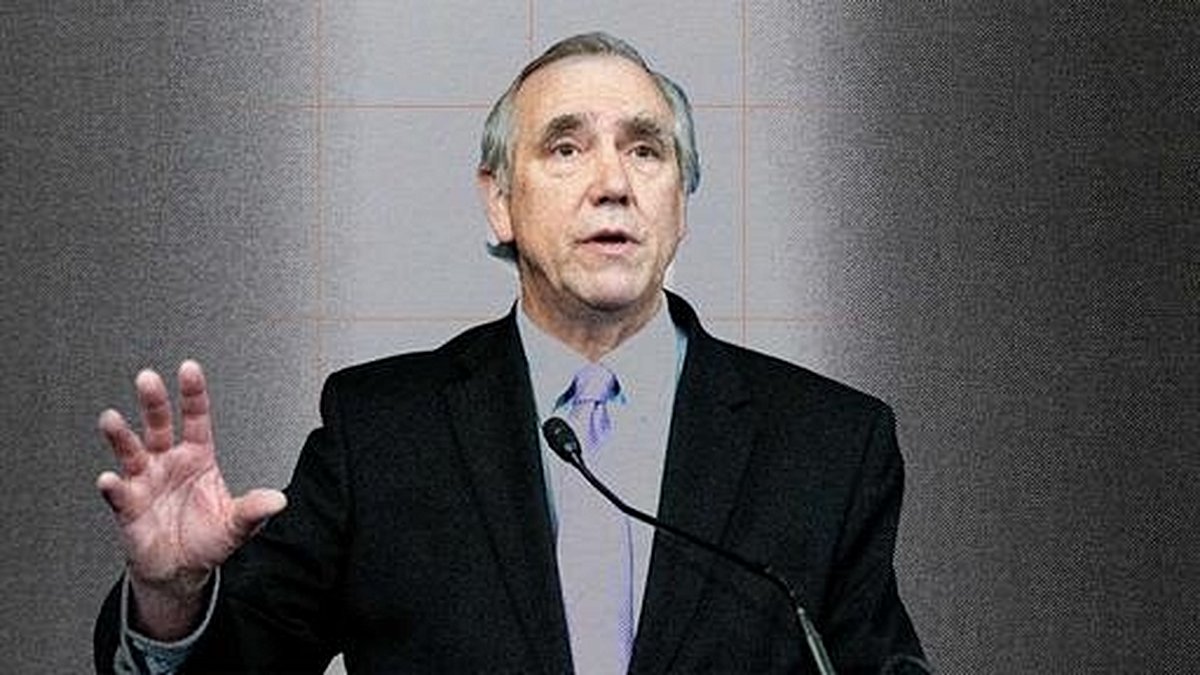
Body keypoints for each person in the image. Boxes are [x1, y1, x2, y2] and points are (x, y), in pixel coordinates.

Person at [94, 32, 924, 674]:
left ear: (681, 203)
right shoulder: (381, 432)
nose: (613, 183)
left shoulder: (828, 443)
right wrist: (172, 600)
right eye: (566, 148)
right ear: (499, 201)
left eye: (646, 150)